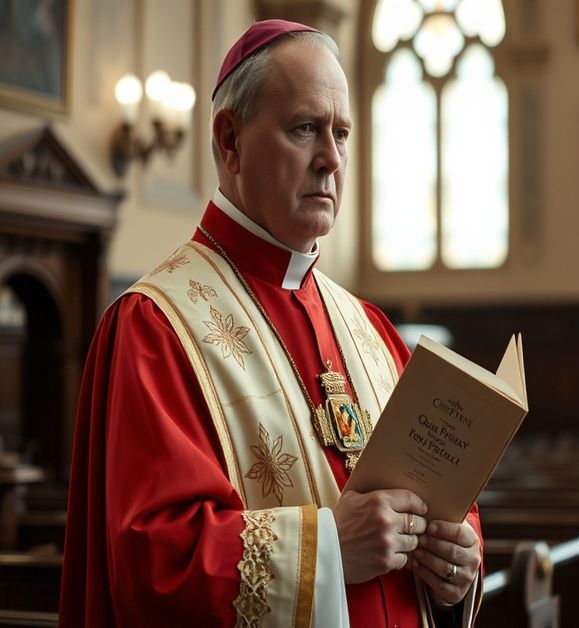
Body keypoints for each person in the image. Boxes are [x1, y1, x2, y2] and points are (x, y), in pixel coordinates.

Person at [59, 20, 482, 627]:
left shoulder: (369, 327)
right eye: (305, 128)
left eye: (341, 133)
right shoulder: (156, 326)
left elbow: (445, 502)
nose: (331, 158)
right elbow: (156, 562)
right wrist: (330, 548)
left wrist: (456, 564)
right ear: (229, 140)